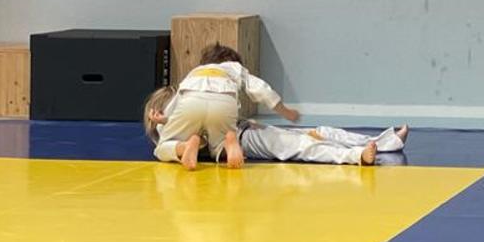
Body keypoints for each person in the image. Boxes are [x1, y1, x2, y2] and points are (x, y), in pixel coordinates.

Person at [143, 85, 408, 166]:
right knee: (302, 145)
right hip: (244, 137)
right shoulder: (173, 134)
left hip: (246, 130)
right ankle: (356, 156)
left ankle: (384, 141)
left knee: (318, 133)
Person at [151, 43, 300, 169]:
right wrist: (286, 112)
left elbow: (179, 100)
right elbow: (262, 90)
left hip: (192, 100)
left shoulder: (195, 73)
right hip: (224, 101)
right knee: (217, 146)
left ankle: (184, 147)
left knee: (162, 147)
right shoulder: (236, 69)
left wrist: (166, 119)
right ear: (235, 62)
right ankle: (228, 146)